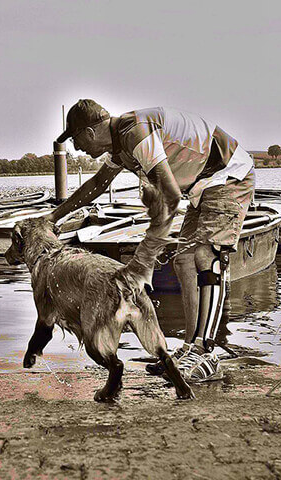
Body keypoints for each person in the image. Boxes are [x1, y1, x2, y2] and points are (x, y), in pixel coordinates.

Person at [51, 99, 254, 382]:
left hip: (229, 174)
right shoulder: (120, 146)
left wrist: (148, 251)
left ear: (89, 132)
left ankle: (206, 352)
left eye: (75, 140)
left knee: (206, 256)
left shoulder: (135, 132)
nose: (77, 148)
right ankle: (190, 348)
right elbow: (97, 185)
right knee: (184, 261)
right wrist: (53, 217)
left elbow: (170, 195)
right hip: (202, 184)